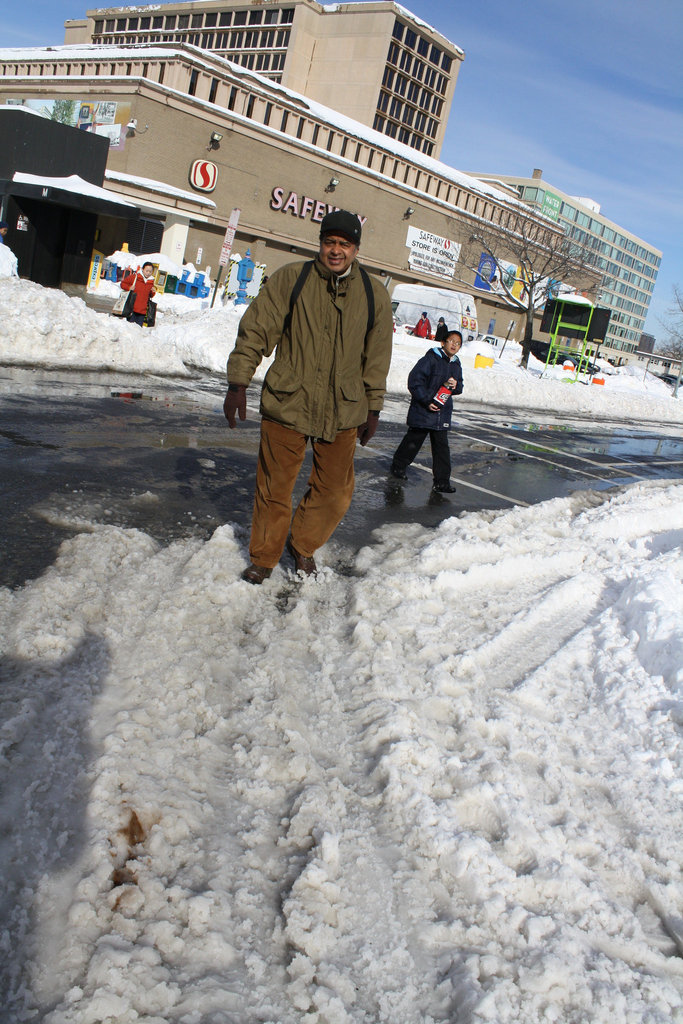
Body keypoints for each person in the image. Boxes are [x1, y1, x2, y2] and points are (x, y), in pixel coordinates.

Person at [224, 209, 393, 584]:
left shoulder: (373, 294)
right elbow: (256, 331)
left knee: (335, 493)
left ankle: (301, 544)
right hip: (288, 399)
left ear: (355, 248)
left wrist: (374, 407)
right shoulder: (292, 279)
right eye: (330, 243)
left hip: (345, 407)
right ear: (321, 244)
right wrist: (238, 383)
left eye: (344, 244)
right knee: (274, 488)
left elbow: (377, 356)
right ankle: (264, 557)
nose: (336, 251)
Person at [390, 330, 464, 493]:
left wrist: (454, 385)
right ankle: (398, 467)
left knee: (442, 448)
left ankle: (442, 482)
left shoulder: (456, 364)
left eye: (458, 343)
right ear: (443, 343)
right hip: (424, 411)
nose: (454, 345)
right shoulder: (430, 359)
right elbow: (415, 382)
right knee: (413, 441)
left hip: (442, 412)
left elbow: (459, 388)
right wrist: (427, 401)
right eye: (451, 341)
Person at [120, 261, 156, 326]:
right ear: (142, 269)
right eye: (146, 271)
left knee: (138, 331)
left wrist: (153, 291)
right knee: (129, 329)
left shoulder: (151, 281)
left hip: (142, 312)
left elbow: (150, 295)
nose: (148, 273)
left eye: (150, 272)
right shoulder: (135, 277)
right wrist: (129, 287)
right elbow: (122, 284)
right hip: (132, 309)